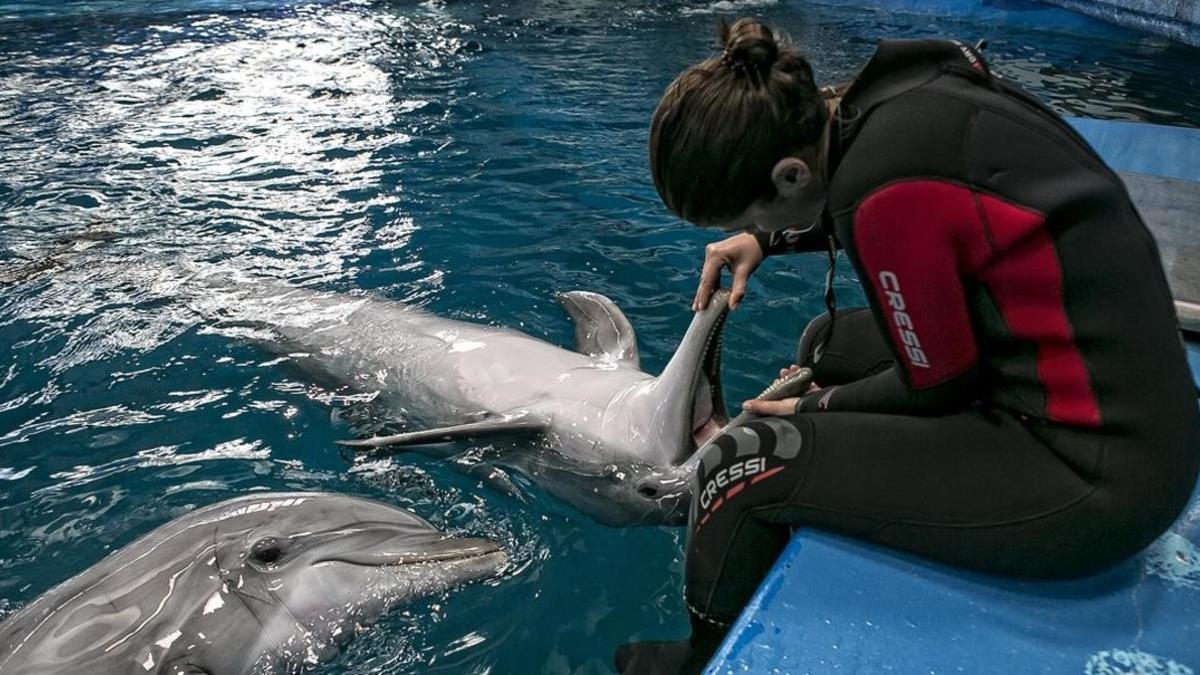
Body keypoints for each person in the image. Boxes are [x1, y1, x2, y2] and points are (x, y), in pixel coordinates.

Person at [614, 17, 1200, 675]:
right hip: (1136, 413)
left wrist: (816, 409)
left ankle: (701, 654)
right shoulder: (891, 101)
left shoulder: (883, 196)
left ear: (787, 175)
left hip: (1097, 478)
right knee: (827, 342)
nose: (751, 231)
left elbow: (938, 383)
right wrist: (769, 239)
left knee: (739, 463)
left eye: (749, 218)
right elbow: (931, 210)